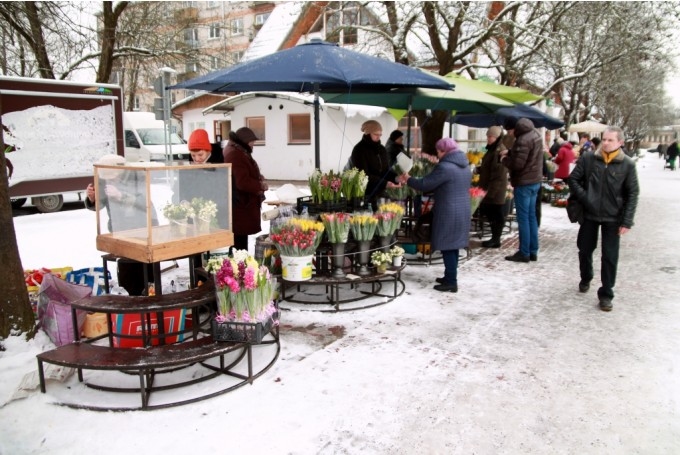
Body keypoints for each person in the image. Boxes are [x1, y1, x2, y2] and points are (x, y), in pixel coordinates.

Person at [568, 126, 639, 312]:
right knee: (584, 249)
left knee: (609, 256)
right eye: (604, 139)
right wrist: (586, 197)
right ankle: (586, 276)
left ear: (620, 143)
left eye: (610, 140)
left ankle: (606, 293)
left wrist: (627, 221)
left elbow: (632, 193)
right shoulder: (589, 158)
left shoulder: (627, 165)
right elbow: (573, 179)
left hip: (612, 217)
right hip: (589, 214)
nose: (606, 143)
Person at [397, 138, 471, 293]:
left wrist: (409, 178)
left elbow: (425, 184)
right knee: (454, 245)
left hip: (448, 210)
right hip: (462, 209)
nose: (437, 154)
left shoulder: (445, 167)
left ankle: (451, 281)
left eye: (438, 150)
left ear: (444, 151)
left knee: (448, 246)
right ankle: (449, 276)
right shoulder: (464, 166)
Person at [85, 154, 157, 295]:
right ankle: (130, 301)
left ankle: (150, 299)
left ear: (121, 171)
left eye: (113, 176)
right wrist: (92, 199)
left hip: (143, 227)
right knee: (127, 270)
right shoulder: (104, 179)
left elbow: (144, 203)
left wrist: (120, 195)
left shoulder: (138, 175)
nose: (110, 180)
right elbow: (99, 204)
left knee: (146, 270)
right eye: (107, 177)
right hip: (120, 231)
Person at [499, 117, 544, 263]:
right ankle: (533, 250)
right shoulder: (535, 134)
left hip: (524, 183)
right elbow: (527, 154)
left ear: (515, 128)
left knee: (523, 218)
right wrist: (511, 152)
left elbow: (518, 164)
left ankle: (524, 252)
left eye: (509, 131)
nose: (510, 134)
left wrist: (504, 159)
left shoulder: (522, 139)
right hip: (535, 181)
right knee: (531, 217)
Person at [222, 127, 268, 252]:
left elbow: (244, 174)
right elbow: (241, 182)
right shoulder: (235, 154)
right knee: (239, 244)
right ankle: (239, 268)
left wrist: (258, 178)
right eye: (252, 142)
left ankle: (240, 266)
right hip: (240, 207)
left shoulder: (237, 150)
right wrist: (260, 185)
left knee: (240, 241)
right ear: (245, 141)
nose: (253, 145)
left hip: (241, 206)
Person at [350, 120, 399, 205]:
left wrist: (396, 178)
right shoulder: (359, 150)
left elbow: (386, 171)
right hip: (364, 195)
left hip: (381, 193)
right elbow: (363, 175)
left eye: (380, 135)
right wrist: (384, 183)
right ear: (367, 133)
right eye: (376, 134)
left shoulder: (382, 150)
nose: (378, 137)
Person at [477, 126, 509, 248]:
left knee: (496, 214)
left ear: (496, 137)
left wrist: (491, 192)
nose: (488, 139)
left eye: (490, 136)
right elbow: (488, 167)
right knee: (491, 213)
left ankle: (496, 239)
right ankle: (494, 238)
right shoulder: (492, 149)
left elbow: (498, 173)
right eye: (488, 136)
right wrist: (478, 170)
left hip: (495, 189)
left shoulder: (499, 150)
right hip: (489, 187)